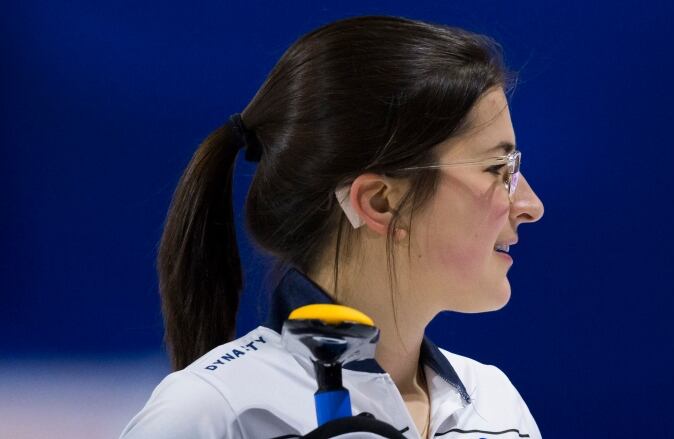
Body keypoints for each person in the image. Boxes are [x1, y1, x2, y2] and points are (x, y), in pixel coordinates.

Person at [120, 14, 544, 439]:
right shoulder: (214, 413)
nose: (530, 205)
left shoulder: (498, 409)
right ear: (378, 201)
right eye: (497, 169)